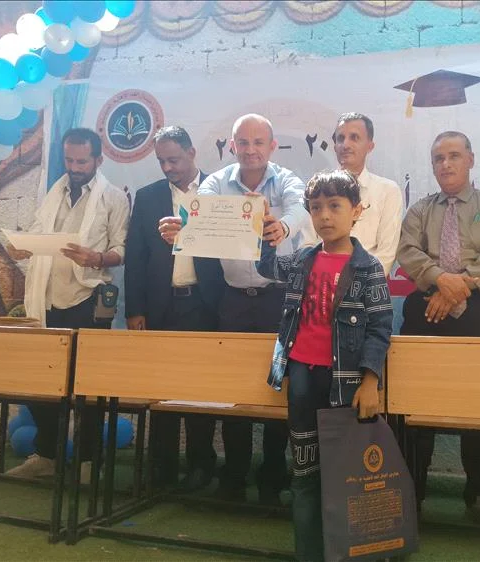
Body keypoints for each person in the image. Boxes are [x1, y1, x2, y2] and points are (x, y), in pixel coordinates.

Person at [257, 169, 393, 561]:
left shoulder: (368, 269)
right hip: (302, 378)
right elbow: (267, 268)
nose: (325, 216)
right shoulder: (303, 260)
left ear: (357, 211)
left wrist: (370, 381)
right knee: (304, 475)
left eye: (335, 206)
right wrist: (265, 233)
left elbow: (381, 328)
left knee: (345, 478)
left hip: (345, 385)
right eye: (316, 208)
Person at [396, 130, 480, 527]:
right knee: (414, 405)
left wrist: (457, 288)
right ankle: (411, 495)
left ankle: (478, 495)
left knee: (476, 406)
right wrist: (439, 280)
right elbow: (407, 251)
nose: (445, 164)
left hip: (478, 309)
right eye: (438, 158)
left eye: (454, 155)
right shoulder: (420, 210)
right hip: (425, 308)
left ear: (471, 159)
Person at [194, 113, 310, 504]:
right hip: (233, 301)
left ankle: (273, 476)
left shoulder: (288, 179)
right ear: (232, 146)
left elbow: (301, 209)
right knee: (234, 390)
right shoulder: (215, 182)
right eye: (243, 142)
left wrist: (284, 227)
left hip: (278, 299)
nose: (250, 150)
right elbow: (201, 214)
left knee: (278, 388)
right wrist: (183, 227)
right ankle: (234, 474)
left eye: (259, 142)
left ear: (272, 146)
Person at [6, 128, 129, 480]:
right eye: (69, 160)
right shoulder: (54, 192)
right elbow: (37, 234)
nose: (74, 167)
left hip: (88, 300)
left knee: (87, 385)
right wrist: (22, 247)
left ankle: (89, 461)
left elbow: (122, 250)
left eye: (82, 161)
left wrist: (97, 258)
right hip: (45, 301)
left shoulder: (113, 198)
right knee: (41, 381)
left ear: (98, 160)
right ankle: (47, 455)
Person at [125, 126, 224, 492]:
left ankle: (200, 464)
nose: (168, 167)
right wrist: (135, 309)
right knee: (161, 388)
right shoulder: (147, 196)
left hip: (204, 304)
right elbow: (135, 257)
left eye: (174, 159)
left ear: (192, 152)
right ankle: (161, 467)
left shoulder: (218, 191)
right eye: (161, 161)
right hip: (160, 306)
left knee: (200, 390)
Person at [333, 112, 403, 275]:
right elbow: (307, 245)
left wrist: (357, 283)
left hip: (369, 284)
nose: (345, 145)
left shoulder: (388, 190)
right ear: (334, 146)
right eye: (340, 138)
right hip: (323, 282)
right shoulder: (318, 190)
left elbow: (386, 254)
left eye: (354, 137)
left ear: (370, 146)